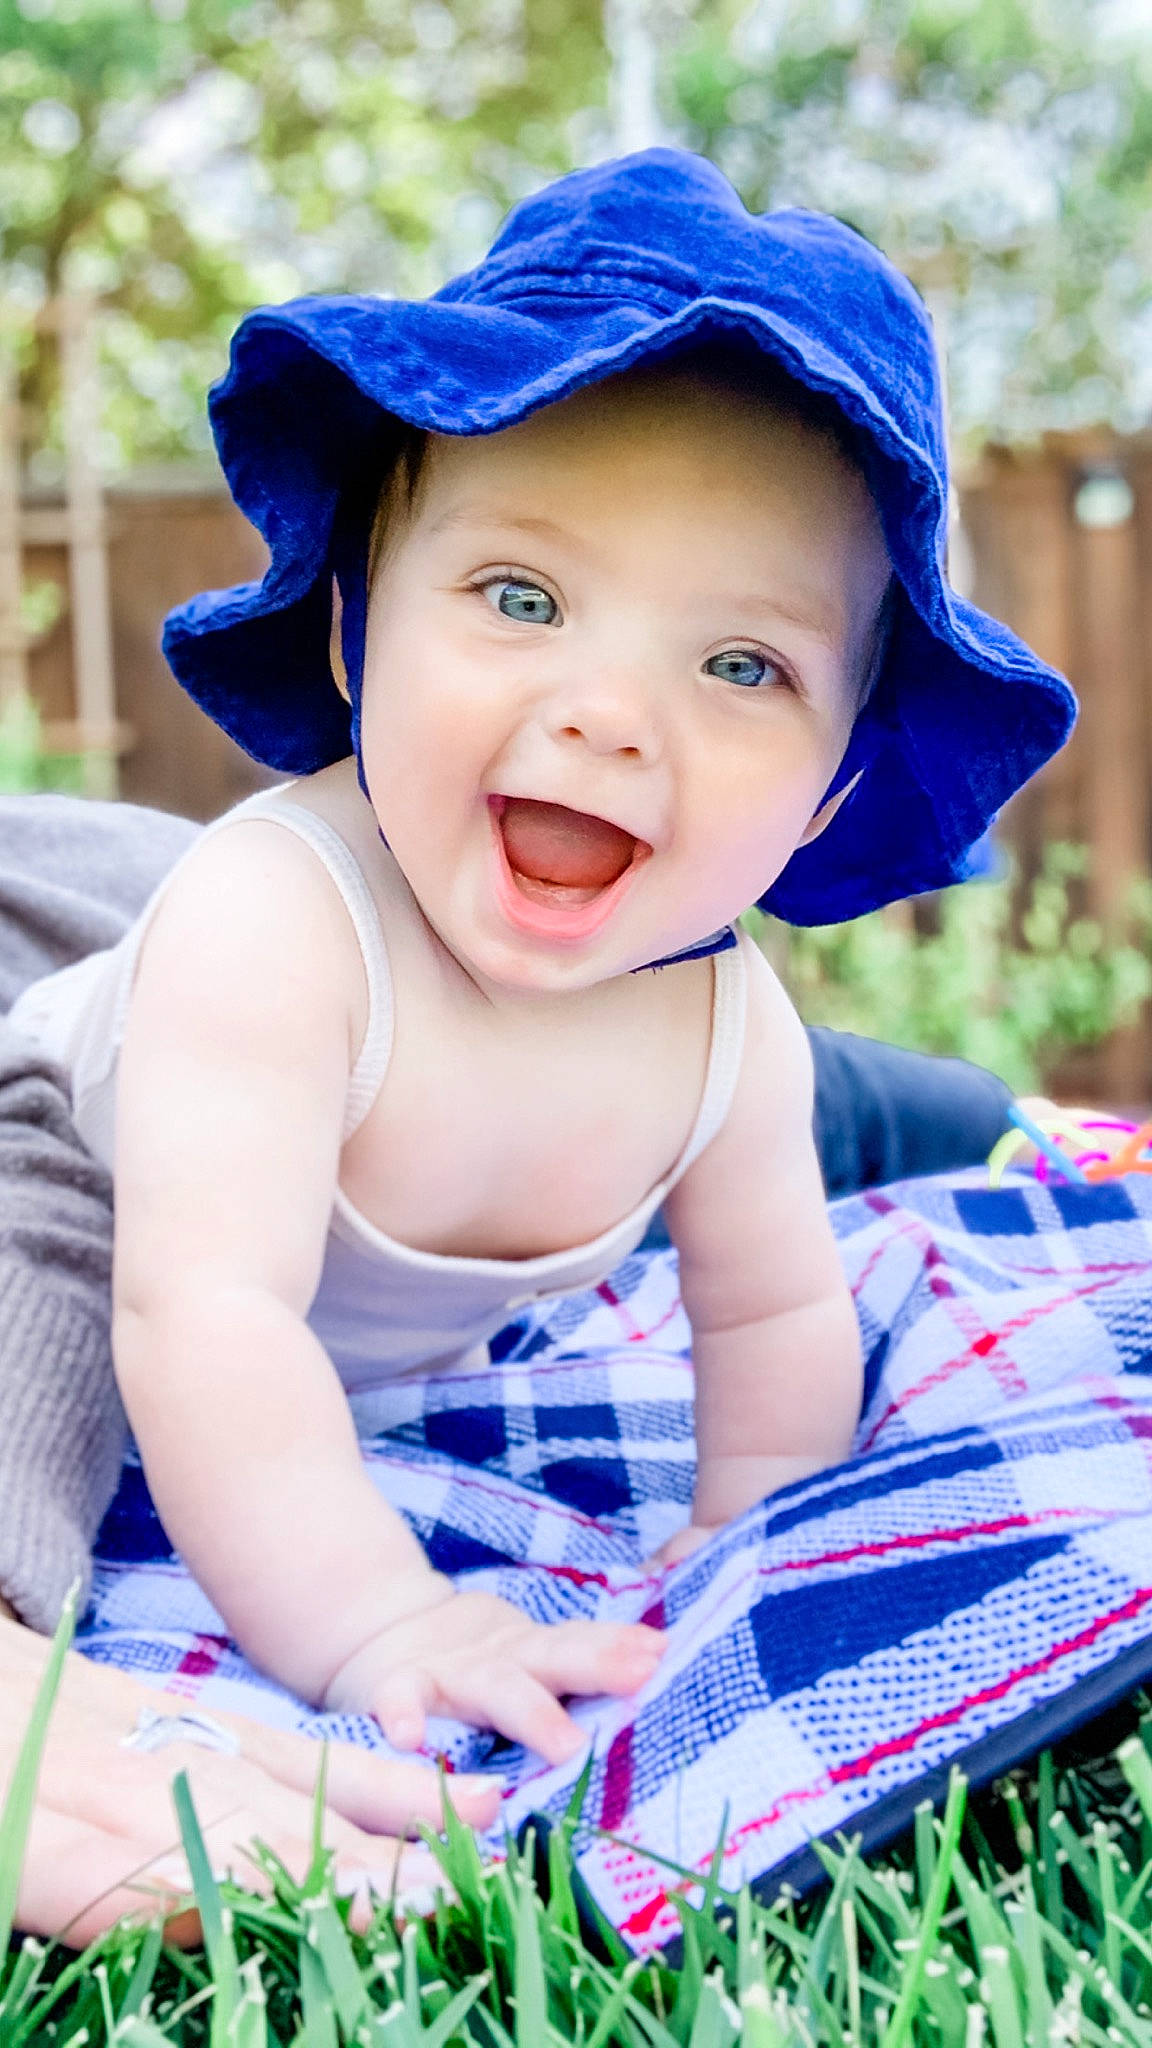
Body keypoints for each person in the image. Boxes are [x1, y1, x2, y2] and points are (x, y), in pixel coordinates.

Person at [6, 149, 1075, 1776]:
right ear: (360, 631)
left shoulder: (726, 1027)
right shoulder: (274, 931)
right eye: (523, 594)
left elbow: (779, 1309)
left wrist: (744, 1540)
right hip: (94, 1127)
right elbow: (207, 1313)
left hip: (555, 1066)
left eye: (740, 662)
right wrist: (385, 1620)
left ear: (834, 789)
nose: (611, 710)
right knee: (36, 1333)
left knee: (815, 1109)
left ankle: (967, 1106)